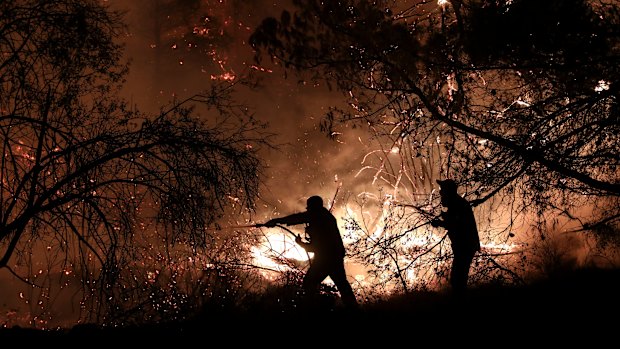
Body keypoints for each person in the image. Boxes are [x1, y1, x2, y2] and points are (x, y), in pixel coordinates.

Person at [263, 195, 359, 309]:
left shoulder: (319, 216)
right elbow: (303, 222)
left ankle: (314, 309)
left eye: (309, 207)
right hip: (334, 256)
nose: (308, 209)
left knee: (309, 283)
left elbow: (300, 220)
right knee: (342, 285)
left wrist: (276, 221)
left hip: (326, 258)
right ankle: (354, 310)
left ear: (314, 207)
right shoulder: (325, 217)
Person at [431, 179, 481, 294]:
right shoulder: (457, 203)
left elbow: (455, 224)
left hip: (465, 247)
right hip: (465, 246)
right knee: (458, 279)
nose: (440, 192)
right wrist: (444, 217)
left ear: (448, 191)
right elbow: (455, 220)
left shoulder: (457, 205)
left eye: (442, 190)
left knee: (457, 280)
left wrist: (440, 223)